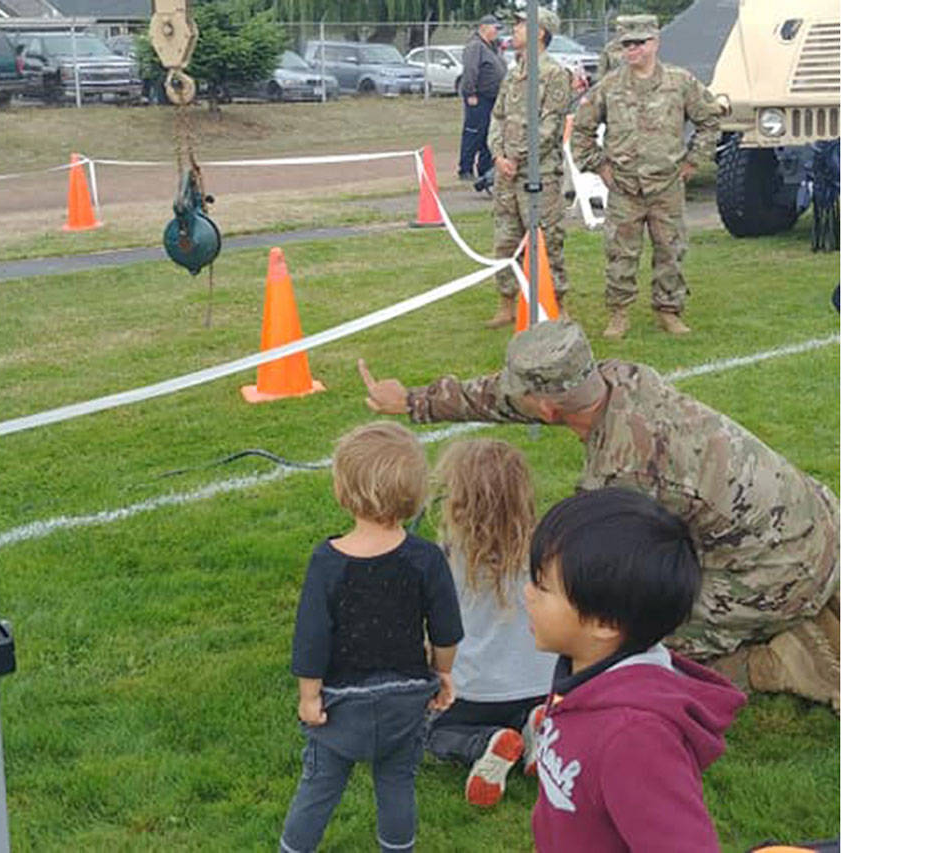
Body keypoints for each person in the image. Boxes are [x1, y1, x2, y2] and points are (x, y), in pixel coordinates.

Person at [357, 321, 840, 709]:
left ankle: (777, 660)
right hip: (811, 519)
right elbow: (510, 398)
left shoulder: (621, 472)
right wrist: (415, 401)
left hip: (781, 568)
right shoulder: (616, 378)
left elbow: (597, 579)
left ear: (547, 407)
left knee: (624, 642)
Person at [525, 487, 746, 851]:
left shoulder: (635, 737)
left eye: (543, 586)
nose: (527, 593)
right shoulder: (584, 671)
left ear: (605, 622)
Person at [279, 422, 464, 853]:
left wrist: (309, 697)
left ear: (342, 491)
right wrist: (444, 672)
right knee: (397, 780)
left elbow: (311, 637)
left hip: (341, 703)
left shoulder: (326, 562)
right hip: (405, 698)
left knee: (320, 784)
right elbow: (446, 628)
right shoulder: (426, 558)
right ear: (414, 493)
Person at [424, 439, 557, 807]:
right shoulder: (548, 551)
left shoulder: (442, 560)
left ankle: (484, 743)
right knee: (526, 705)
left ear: (457, 501)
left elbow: (431, 633)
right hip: (544, 687)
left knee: (426, 732)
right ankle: (535, 726)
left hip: (471, 695)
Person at [571, 15, 723, 339]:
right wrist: (600, 166)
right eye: (627, 44)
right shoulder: (609, 87)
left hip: (666, 185)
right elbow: (581, 131)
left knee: (670, 250)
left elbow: (710, 121)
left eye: (639, 43)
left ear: (655, 42)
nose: (632, 50)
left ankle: (669, 311)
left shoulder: (680, 82)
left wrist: (694, 161)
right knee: (620, 253)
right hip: (624, 186)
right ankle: (618, 314)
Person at [481, 6, 575, 329]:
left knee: (547, 240)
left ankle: (558, 304)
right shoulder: (513, 72)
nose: (514, 30)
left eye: (521, 26)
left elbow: (549, 127)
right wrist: (497, 156)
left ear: (539, 33)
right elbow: (497, 117)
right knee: (505, 240)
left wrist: (518, 157)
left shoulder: (554, 75)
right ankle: (506, 303)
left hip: (539, 176)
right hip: (507, 174)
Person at [458, 14, 506, 182]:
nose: (497, 32)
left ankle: (485, 169)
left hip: (492, 98)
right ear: (484, 27)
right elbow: (471, 70)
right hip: (479, 98)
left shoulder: (491, 47)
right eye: (495, 28)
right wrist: (471, 93)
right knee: (474, 132)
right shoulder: (475, 46)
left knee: (489, 133)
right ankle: (465, 169)